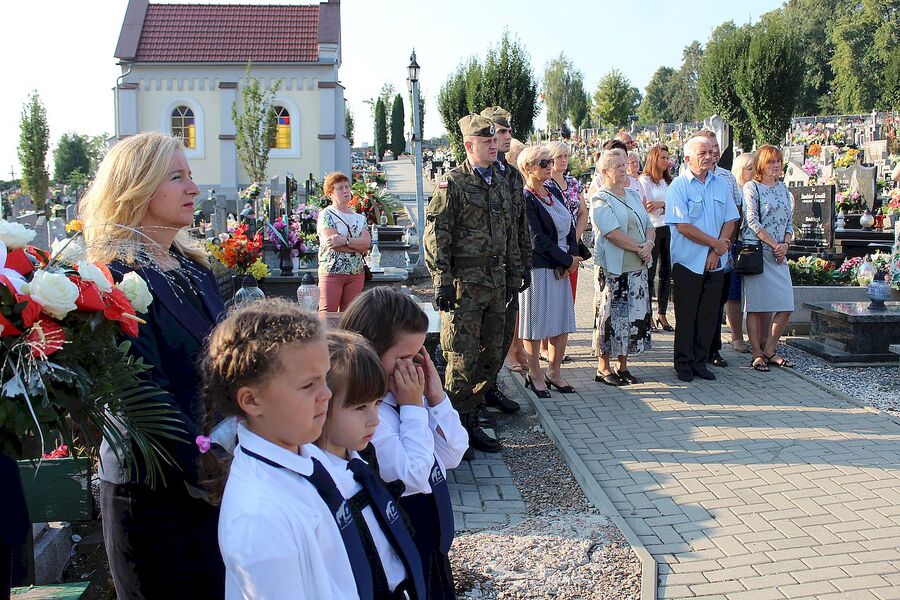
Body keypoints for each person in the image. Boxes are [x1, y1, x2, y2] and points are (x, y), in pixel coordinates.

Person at [80, 132, 226, 599]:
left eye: (190, 175)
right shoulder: (113, 278)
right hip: (152, 489)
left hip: (213, 477)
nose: (194, 188)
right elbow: (142, 394)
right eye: (177, 177)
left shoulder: (194, 268)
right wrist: (210, 458)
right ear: (137, 187)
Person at [198, 299, 359, 598]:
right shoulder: (259, 519)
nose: (326, 394)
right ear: (252, 401)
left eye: (324, 378)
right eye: (308, 385)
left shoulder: (308, 455)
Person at [340, 287, 468, 599]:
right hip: (404, 536)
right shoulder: (371, 415)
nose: (412, 367)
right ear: (370, 352)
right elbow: (411, 476)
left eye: (417, 356)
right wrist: (412, 409)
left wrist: (435, 398)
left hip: (432, 540)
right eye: (404, 358)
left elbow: (453, 453)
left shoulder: (407, 394)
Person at [424, 114, 522, 453]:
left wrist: (515, 272)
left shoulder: (501, 182)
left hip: (497, 282)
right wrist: (441, 280)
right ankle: (455, 429)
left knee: (491, 354)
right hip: (464, 285)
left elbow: (511, 231)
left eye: (495, 140)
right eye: (486, 141)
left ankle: (473, 414)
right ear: (469, 145)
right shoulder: (452, 183)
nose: (494, 146)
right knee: (461, 358)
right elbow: (437, 233)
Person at [316, 329, 427, 599]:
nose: (375, 419)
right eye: (359, 407)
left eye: (377, 403)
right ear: (319, 405)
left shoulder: (364, 459)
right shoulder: (316, 488)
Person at [665, 136, 739, 382]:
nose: (708, 157)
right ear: (687, 159)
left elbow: (730, 218)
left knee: (708, 315)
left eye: (710, 152)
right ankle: (683, 363)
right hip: (688, 261)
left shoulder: (720, 183)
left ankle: (700, 361)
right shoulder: (678, 186)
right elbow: (683, 226)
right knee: (687, 315)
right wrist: (714, 244)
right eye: (702, 153)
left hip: (715, 261)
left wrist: (717, 251)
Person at [517, 145, 580, 397]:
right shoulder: (525, 198)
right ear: (527, 168)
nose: (549, 167)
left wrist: (573, 257)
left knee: (561, 322)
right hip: (540, 268)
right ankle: (534, 373)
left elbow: (571, 225)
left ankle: (554, 372)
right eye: (543, 163)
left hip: (562, 266)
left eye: (549, 162)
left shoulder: (553, 190)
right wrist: (566, 260)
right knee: (535, 324)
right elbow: (537, 239)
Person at [591, 149, 654, 386]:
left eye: (624, 164)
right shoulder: (600, 199)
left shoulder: (633, 195)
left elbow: (648, 224)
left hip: (637, 268)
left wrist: (649, 245)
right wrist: (639, 248)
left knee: (631, 318)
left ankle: (623, 365)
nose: (623, 169)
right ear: (605, 172)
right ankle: (603, 368)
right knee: (610, 318)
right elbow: (612, 233)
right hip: (614, 270)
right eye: (617, 166)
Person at [480, 106, 529, 414]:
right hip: (481, 272)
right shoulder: (473, 175)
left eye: (508, 130)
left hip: (507, 268)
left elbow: (520, 223)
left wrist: (523, 264)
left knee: (500, 335)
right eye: (501, 131)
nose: (507, 136)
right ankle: (474, 399)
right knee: (480, 338)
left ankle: (491, 387)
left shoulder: (511, 174)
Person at [742, 145, 796, 371]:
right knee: (756, 306)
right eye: (770, 162)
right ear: (760, 165)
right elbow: (752, 220)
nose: (775, 165)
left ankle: (770, 349)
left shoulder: (783, 188)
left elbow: (789, 222)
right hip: (759, 251)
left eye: (778, 161)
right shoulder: (752, 187)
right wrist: (774, 244)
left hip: (779, 254)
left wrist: (785, 244)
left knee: (786, 305)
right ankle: (756, 353)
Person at [697, 129, 744, 368]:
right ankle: (697, 348)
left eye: (716, 147)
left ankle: (714, 348)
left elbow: (735, 211)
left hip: (723, 248)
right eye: (708, 147)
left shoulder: (726, 177)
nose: (714, 151)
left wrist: (725, 245)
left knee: (717, 302)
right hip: (698, 250)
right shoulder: (688, 177)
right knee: (699, 302)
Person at [317, 171, 371, 313]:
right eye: (340, 188)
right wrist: (358, 247)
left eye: (347, 187)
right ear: (330, 193)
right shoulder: (326, 214)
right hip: (332, 271)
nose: (345, 191)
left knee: (350, 316)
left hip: (356, 273)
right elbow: (333, 244)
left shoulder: (360, 218)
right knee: (328, 314)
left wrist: (345, 241)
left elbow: (366, 244)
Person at [503, 138, 532, 373]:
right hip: (506, 256)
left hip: (521, 253)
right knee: (512, 308)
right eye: (520, 155)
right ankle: (511, 352)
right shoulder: (507, 181)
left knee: (521, 309)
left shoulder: (520, 182)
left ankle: (519, 348)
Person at [639, 144, 674, 332]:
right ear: (654, 159)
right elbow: (648, 206)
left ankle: (662, 313)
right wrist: (664, 206)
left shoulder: (668, 181)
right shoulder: (645, 180)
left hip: (668, 228)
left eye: (668, 158)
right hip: (652, 228)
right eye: (663, 158)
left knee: (666, 272)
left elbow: (675, 204)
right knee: (650, 272)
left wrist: (662, 204)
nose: (666, 161)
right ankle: (648, 314)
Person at [547, 140, 588, 303]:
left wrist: (574, 239)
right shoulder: (545, 184)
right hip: (553, 244)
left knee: (570, 296)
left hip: (572, 245)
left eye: (566, 156)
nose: (563, 160)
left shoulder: (573, 183)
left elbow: (583, 213)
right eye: (559, 156)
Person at [727, 151, 756, 353]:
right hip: (736, 244)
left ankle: (758, 336)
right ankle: (737, 336)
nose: (753, 172)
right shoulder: (734, 190)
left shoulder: (757, 189)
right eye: (749, 168)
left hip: (755, 245)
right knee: (735, 294)